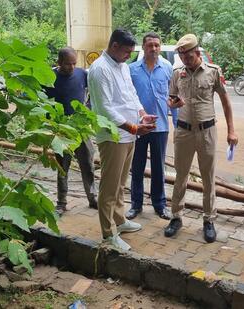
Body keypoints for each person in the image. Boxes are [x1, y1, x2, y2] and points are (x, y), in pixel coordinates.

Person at [163, 34, 238, 243]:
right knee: (181, 176)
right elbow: (171, 98)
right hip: (183, 132)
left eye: (188, 55)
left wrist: (232, 131)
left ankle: (208, 220)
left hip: (207, 132)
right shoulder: (177, 74)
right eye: (182, 56)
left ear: (197, 52)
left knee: (208, 177)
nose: (185, 60)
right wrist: (173, 104)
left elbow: (226, 102)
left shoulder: (213, 72)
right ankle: (176, 217)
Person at [88, 29, 156, 252]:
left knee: (120, 183)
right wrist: (134, 127)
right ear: (114, 46)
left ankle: (120, 220)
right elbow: (105, 108)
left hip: (129, 134)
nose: (129, 56)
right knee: (108, 187)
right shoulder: (99, 69)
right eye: (126, 51)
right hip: (112, 136)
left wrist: (142, 114)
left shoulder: (123, 66)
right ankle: (108, 234)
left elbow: (130, 95)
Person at [127, 32, 177, 221]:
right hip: (138, 127)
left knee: (158, 167)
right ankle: (136, 205)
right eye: (150, 45)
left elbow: (173, 97)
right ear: (143, 47)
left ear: (160, 46)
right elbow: (128, 98)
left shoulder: (167, 68)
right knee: (137, 166)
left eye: (157, 45)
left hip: (160, 127)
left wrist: (176, 122)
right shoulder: (131, 70)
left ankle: (160, 204)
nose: (154, 49)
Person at [44, 47, 98, 216]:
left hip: (80, 128)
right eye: (68, 64)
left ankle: (92, 197)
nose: (72, 67)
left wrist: (87, 108)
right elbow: (41, 101)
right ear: (59, 62)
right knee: (62, 167)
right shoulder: (49, 77)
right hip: (61, 130)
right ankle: (61, 202)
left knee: (87, 164)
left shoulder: (82, 74)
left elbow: (94, 93)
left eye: (74, 63)